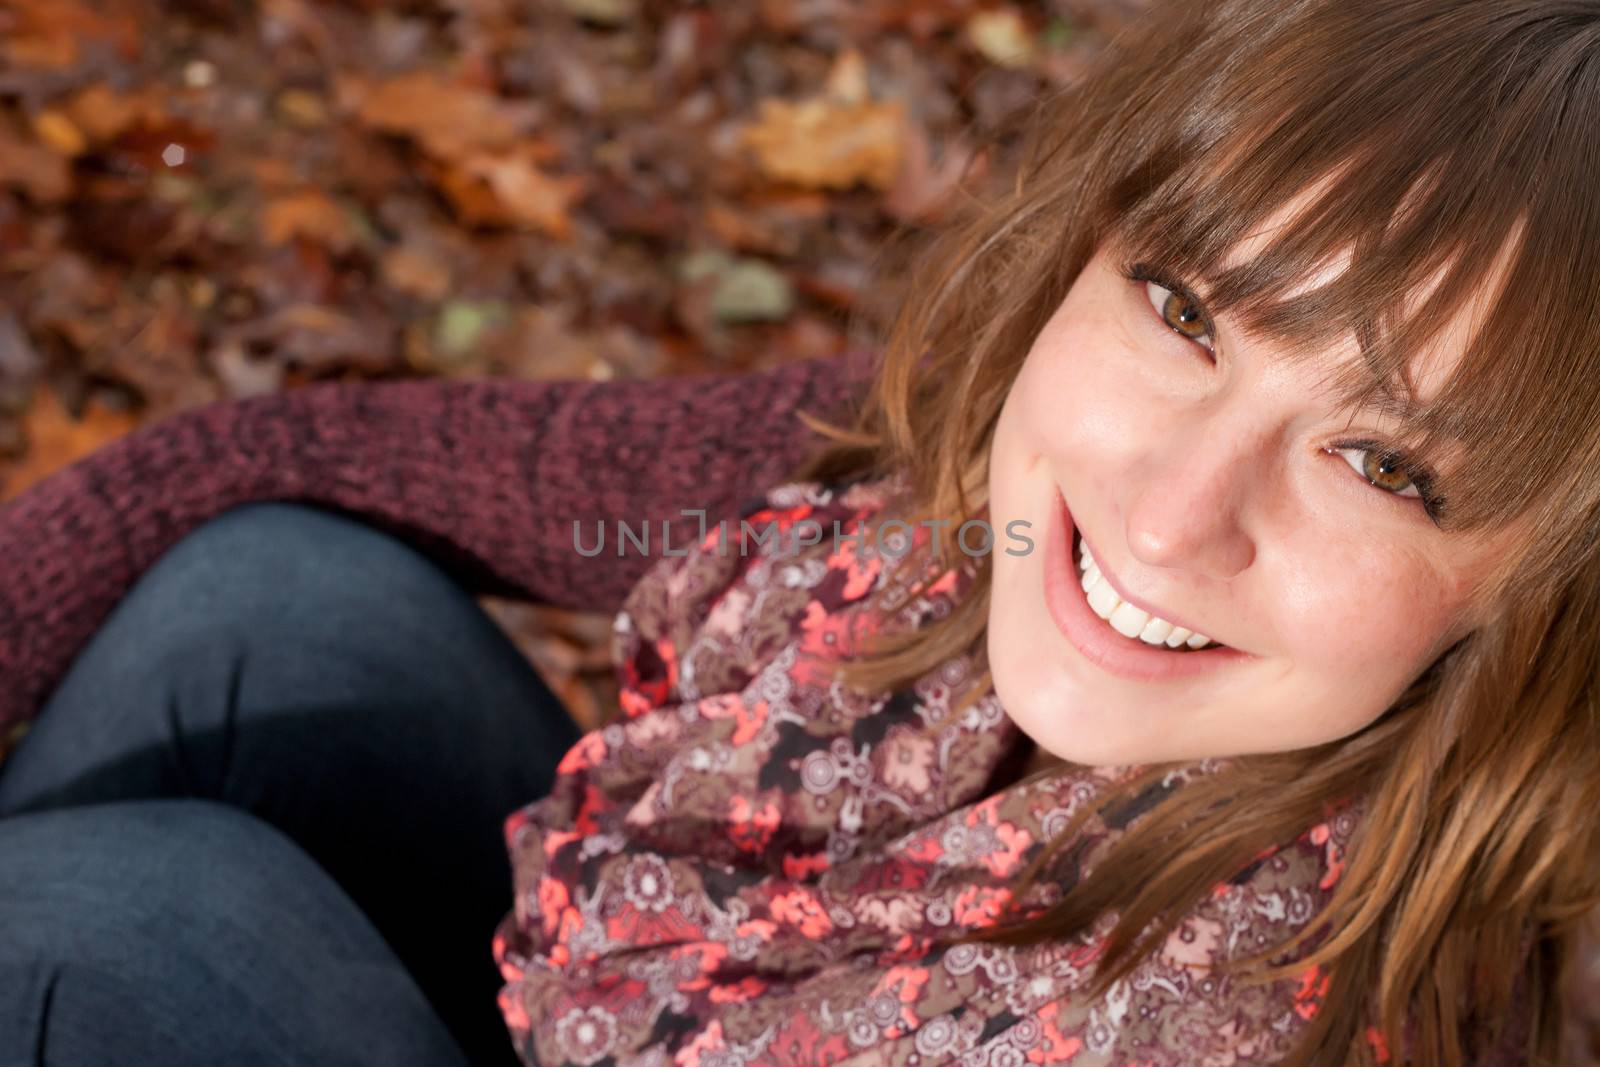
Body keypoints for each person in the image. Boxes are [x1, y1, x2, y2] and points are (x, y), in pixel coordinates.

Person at [2, 0, 1597, 1063]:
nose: (1172, 515)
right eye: (1184, 310)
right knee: (278, 602)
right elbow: (284, 453)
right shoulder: (940, 463)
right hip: (631, 1001)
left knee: (121, 929)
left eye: (1387, 466)